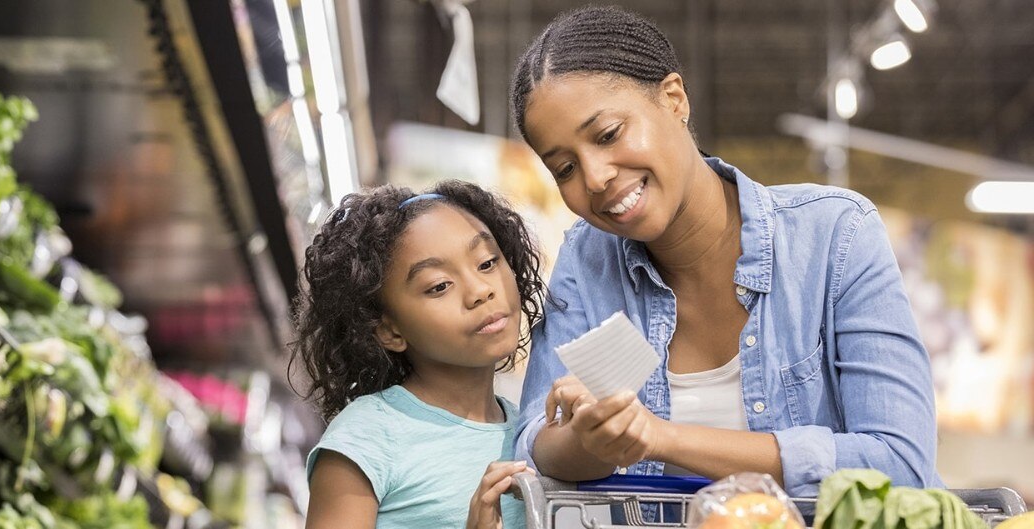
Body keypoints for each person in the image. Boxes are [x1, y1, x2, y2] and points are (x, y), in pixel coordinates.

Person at [508, 5, 944, 497]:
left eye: (608, 134)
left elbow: (899, 462)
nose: (595, 177)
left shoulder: (834, 236)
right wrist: (591, 437)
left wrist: (661, 438)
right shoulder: (588, 263)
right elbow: (532, 449)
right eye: (564, 168)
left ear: (674, 99)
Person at [292, 181, 546, 528]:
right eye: (439, 286)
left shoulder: (532, 434)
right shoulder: (368, 436)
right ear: (389, 331)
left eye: (487, 262)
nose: (480, 291)